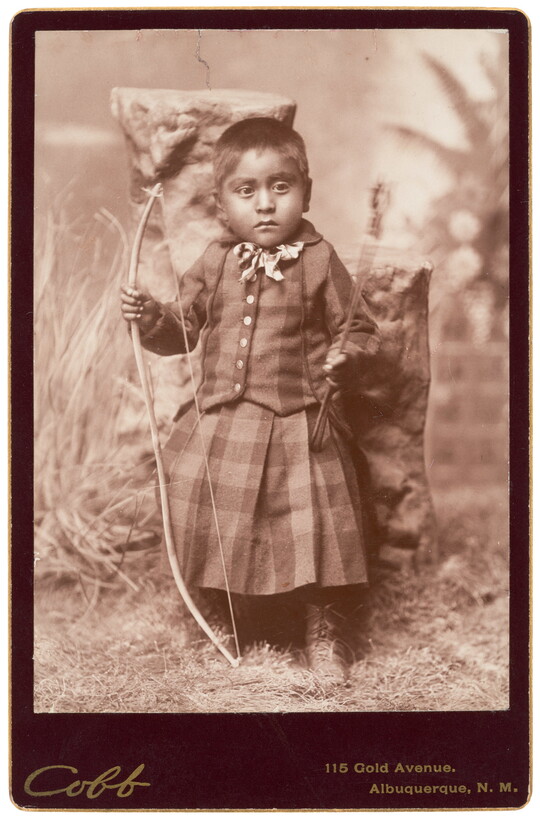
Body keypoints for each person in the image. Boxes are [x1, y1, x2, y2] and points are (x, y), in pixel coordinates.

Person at [120, 117, 380, 684]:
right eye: (246, 191)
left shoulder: (319, 259)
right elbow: (183, 330)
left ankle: (324, 631)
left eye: (281, 187)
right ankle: (223, 617)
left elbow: (360, 330)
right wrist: (152, 317)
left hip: (298, 423)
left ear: (306, 192)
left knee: (314, 525)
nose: (265, 204)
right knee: (200, 501)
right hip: (222, 421)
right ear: (222, 205)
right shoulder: (216, 260)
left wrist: (348, 355)